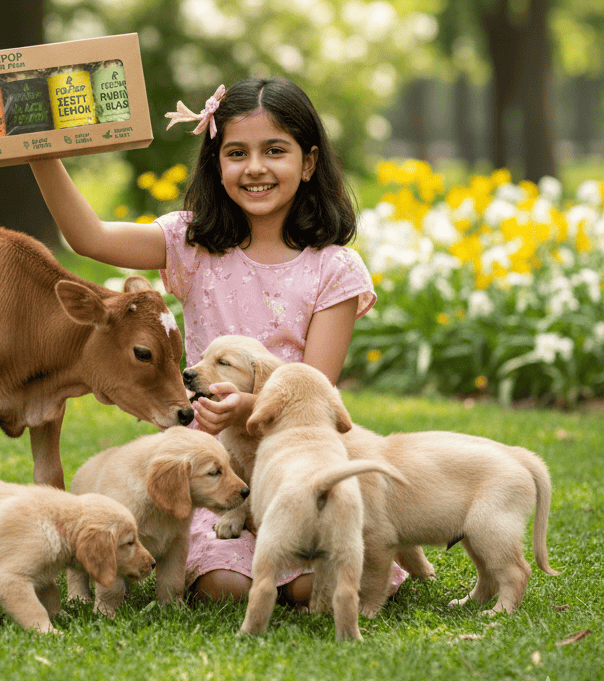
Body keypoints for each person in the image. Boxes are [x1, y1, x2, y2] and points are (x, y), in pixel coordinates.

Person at [30, 77, 406, 605]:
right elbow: (89, 238)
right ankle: (228, 553)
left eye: (275, 150)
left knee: (304, 581)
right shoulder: (193, 243)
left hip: (292, 465)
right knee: (226, 583)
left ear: (309, 162)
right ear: (217, 162)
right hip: (212, 469)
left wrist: (249, 405)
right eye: (237, 153)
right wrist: (39, 150)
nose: (255, 167)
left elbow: (316, 389)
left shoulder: (334, 269)